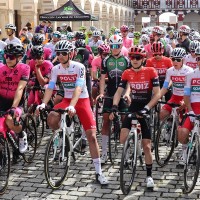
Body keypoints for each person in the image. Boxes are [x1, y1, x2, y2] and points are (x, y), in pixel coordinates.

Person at [36, 40, 108, 185]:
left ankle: (99, 172)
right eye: (59, 53)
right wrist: (43, 103)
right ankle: (62, 136)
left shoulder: (79, 67)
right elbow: (50, 86)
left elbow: (79, 87)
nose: (61, 56)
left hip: (81, 101)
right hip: (67, 100)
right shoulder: (56, 69)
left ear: (71, 54)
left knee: (92, 137)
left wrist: (73, 106)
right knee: (51, 117)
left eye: (64, 53)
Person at [110, 46, 160, 189]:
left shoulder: (150, 71)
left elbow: (157, 94)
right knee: (122, 138)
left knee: (147, 146)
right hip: (134, 106)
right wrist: (114, 106)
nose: (135, 60)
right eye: (132, 57)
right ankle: (132, 146)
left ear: (143, 59)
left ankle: (149, 176)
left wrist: (147, 108)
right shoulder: (127, 73)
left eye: (138, 57)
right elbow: (119, 92)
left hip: (146, 106)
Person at [97, 35, 130, 164]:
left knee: (124, 122)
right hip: (110, 93)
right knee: (105, 121)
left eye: (117, 46)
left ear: (121, 46)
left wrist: (127, 93)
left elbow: (129, 80)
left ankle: (126, 154)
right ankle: (104, 153)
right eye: (112, 46)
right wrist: (101, 93)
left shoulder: (127, 60)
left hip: (122, 94)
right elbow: (102, 79)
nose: (114, 49)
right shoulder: (105, 60)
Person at [0, 43, 30, 156]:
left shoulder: (24, 68)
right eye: (6, 56)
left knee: (9, 119)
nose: (8, 59)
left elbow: (20, 88)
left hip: (17, 102)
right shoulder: (1, 68)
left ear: (19, 57)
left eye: (11, 57)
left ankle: (21, 135)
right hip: (2, 101)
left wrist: (13, 107)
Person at [178, 46, 200, 165]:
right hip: (193, 107)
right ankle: (185, 152)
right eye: (199, 58)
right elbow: (186, 96)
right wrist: (190, 111)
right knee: (182, 133)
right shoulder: (191, 75)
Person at [159, 48, 193, 123]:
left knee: (184, 122)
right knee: (161, 114)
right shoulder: (169, 71)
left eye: (178, 60)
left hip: (187, 98)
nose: (175, 62)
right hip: (175, 97)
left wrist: (186, 102)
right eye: (173, 59)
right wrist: (157, 98)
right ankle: (168, 129)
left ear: (183, 60)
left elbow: (192, 89)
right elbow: (165, 87)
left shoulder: (189, 71)